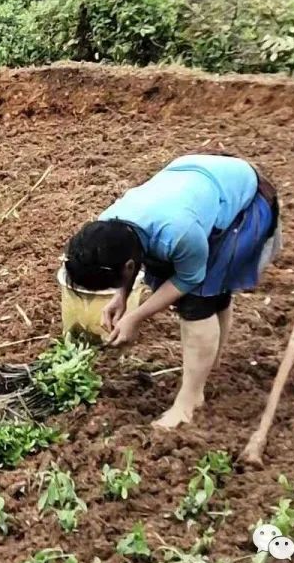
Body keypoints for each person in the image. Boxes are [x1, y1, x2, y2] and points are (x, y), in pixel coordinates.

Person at [62, 153, 281, 429]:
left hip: (246, 199)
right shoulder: (108, 227)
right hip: (200, 182)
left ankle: (189, 402)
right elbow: (130, 265)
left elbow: (188, 279)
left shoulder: (178, 232)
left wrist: (136, 316)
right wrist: (121, 296)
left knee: (200, 303)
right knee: (210, 294)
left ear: (128, 265)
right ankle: (205, 369)